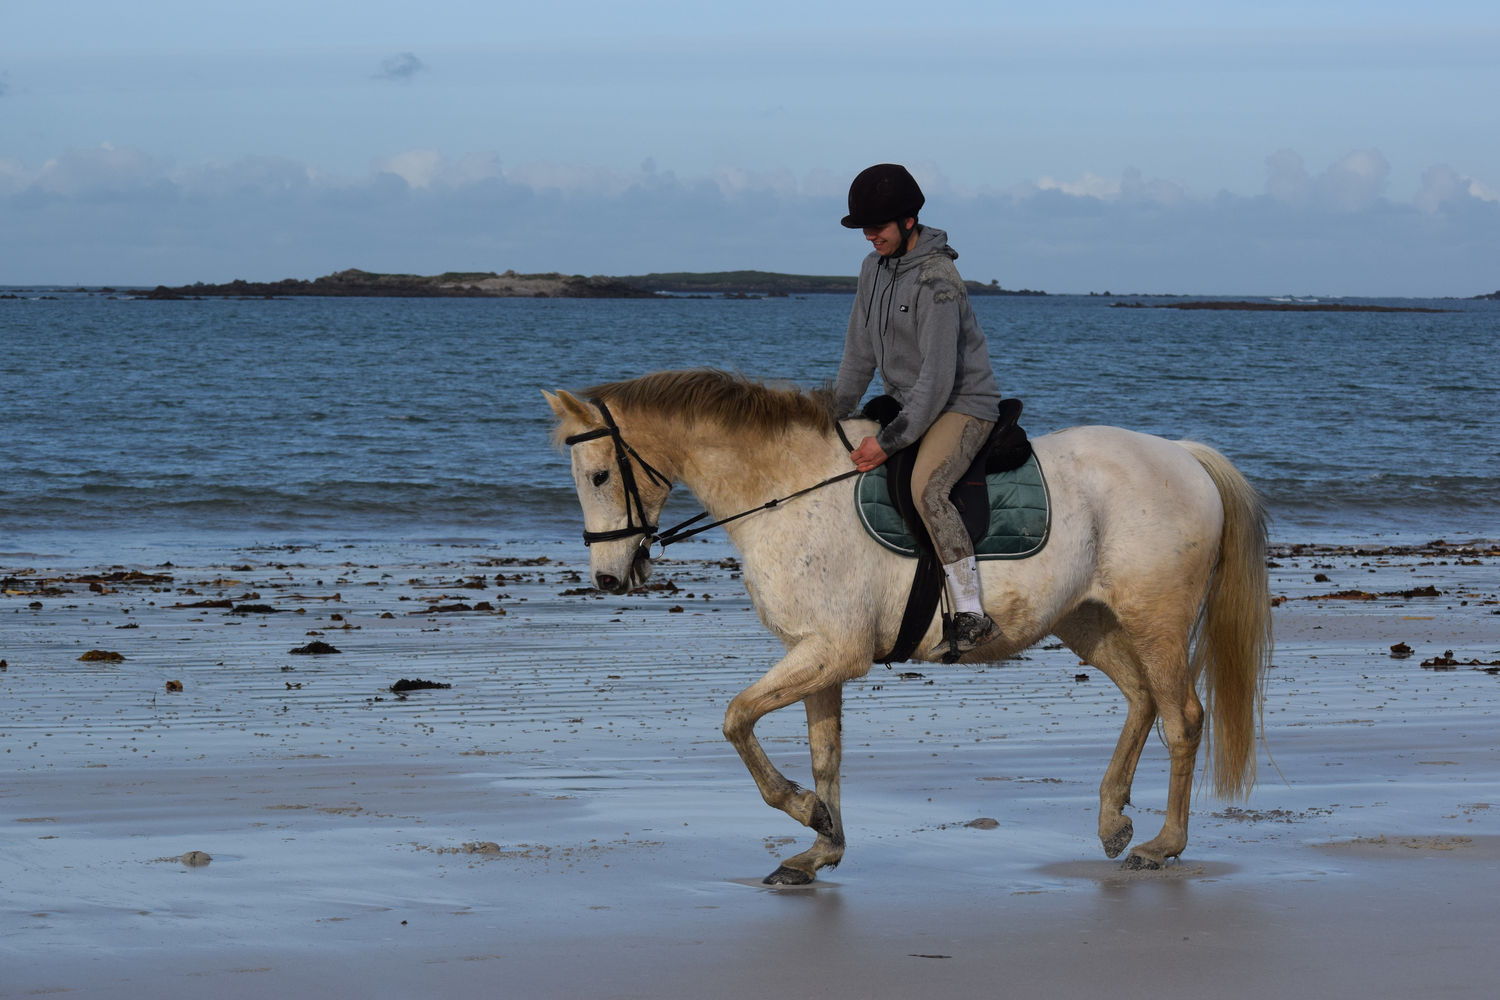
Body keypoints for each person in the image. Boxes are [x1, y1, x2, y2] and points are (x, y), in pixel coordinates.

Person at [832, 163, 1002, 656]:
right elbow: (858, 353)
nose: (869, 236)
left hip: (961, 404)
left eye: (877, 227)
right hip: (912, 402)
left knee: (927, 489)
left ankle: (971, 612)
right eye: (863, 228)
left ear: (908, 221)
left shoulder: (938, 279)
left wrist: (888, 443)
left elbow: (938, 378)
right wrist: (831, 413)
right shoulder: (873, 269)